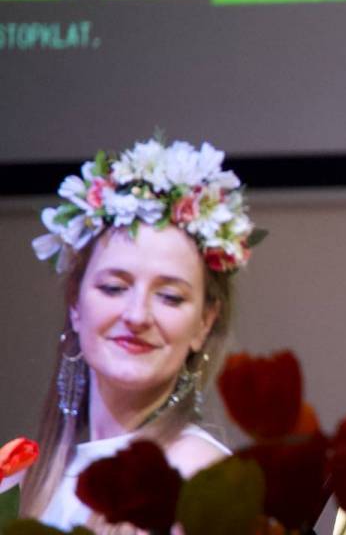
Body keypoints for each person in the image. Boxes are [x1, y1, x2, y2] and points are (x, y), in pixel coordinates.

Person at [6, 137, 259, 531]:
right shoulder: (24, 481)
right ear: (75, 303)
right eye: (114, 288)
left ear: (205, 322)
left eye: (170, 296)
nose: (137, 315)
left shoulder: (203, 485)